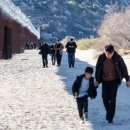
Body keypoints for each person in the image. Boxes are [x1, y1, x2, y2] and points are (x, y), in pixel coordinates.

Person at [95, 44, 130, 123]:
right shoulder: (101, 57)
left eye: (110, 54)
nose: (109, 55)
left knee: (112, 99)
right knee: (105, 98)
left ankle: (110, 118)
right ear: (105, 52)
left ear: (113, 52)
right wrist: (97, 80)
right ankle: (109, 113)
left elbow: (124, 68)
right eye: (107, 54)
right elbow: (98, 69)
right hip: (105, 80)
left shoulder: (118, 57)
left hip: (115, 80)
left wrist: (127, 79)